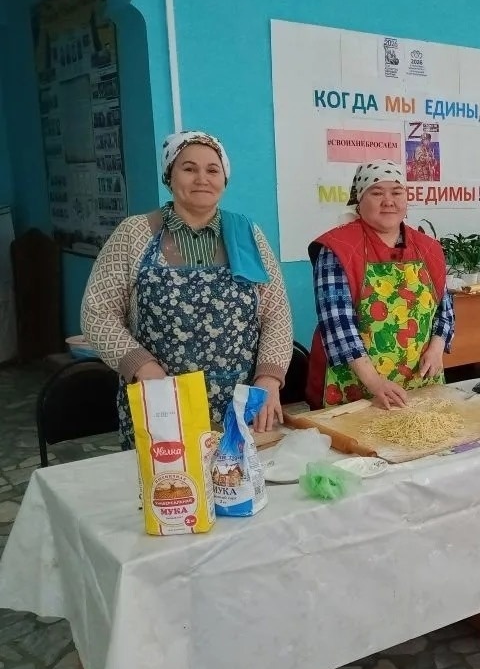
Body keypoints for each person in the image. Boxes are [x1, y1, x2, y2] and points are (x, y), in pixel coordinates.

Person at [82, 130, 293, 448]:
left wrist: (269, 379)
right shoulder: (134, 233)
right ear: (169, 176)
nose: (202, 179)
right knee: (170, 480)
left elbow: (276, 314)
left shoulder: (248, 235)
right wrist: (143, 367)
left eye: (212, 170)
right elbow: (98, 313)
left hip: (239, 408)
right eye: (189, 168)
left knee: (236, 478)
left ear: (224, 179)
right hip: (161, 404)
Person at [306, 160, 454, 410]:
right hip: (356, 389)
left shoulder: (428, 247)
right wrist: (375, 382)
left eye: (396, 192)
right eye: (376, 193)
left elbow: (445, 310)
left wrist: (437, 348)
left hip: (419, 385)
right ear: (359, 200)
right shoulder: (337, 249)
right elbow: (338, 324)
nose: (388, 201)